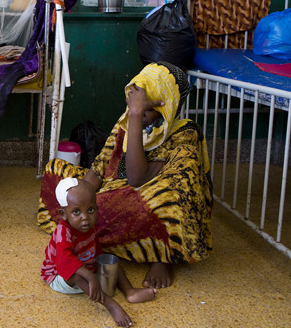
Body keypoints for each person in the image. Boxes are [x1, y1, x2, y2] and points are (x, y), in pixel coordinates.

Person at [38, 61, 213, 289]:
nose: (135, 112)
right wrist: (80, 199)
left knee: (163, 202)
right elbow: (99, 169)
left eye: (146, 108)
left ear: (166, 106)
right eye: (133, 105)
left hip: (148, 204)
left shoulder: (183, 133)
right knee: (55, 172)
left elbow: (137, 178)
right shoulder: (126, 122)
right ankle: (85, 227)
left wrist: (136, 117)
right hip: (113, 194)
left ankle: (163, 255)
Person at [41, 178, 158, 327]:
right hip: (59, 275)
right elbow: (65, 263)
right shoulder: (63, 232)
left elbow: (97, 251)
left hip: (85, 267)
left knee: (115, 266)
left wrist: (103, 268)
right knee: (76, 275)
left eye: (90, 210)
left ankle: (130, 291)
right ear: (63, 214)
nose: (85, 218)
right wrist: (91, 277)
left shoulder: (90, 227)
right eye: (76, 212)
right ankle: (110, 304)